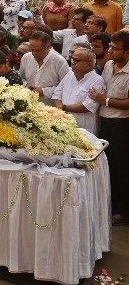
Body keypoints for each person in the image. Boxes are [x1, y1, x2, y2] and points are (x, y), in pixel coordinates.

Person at [88, 31, 129, 226]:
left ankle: (123, 211)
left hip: (122, 126)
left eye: (115, 48)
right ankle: (109, 206)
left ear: (127, 52)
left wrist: (104, 100)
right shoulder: (109, 66)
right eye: (110, 46)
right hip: (105, 122)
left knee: (122, 168)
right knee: (108, 165)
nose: (110, 50)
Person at [51, 48, 104, 135]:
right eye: (72, 59)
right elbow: (57, 92)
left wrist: (63, 108)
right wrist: (59, 107)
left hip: (84, 127)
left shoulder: (97, 80)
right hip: (64, 123)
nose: (73, 62)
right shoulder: (69, 74)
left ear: (89, 64)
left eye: (77, 60)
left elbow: (88, 106)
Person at [19, 31, 69, 105]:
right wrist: (26, 86)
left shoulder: (59, 62)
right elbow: (21, 78)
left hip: (51, 109)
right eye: (32, 49)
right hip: (28, 105)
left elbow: (66, 88)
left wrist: (44, 91)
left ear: (48, 47)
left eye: (38, 50)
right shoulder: (26, 57)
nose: (34, 53)